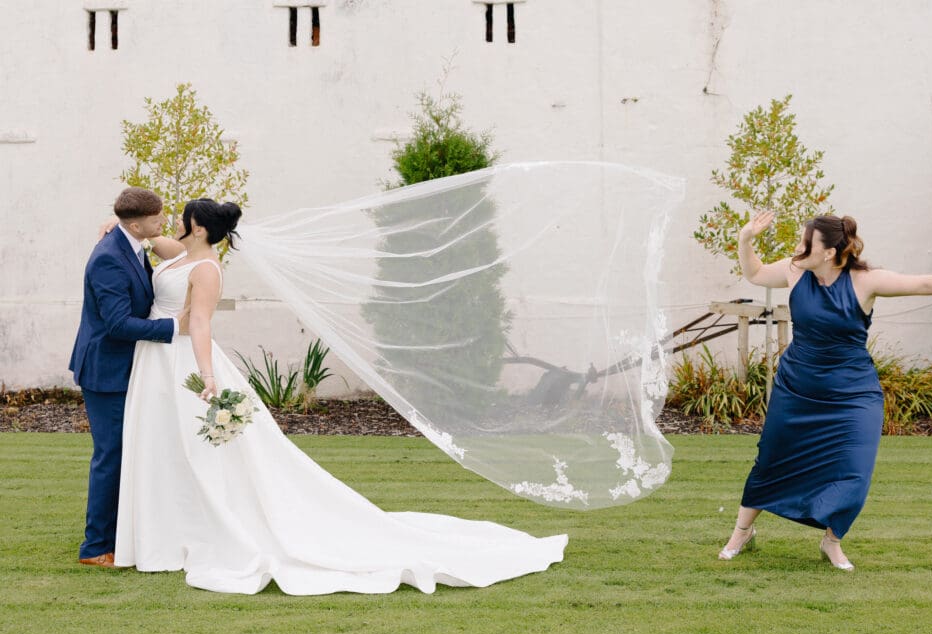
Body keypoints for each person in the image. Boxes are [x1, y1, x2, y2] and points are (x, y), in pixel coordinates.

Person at [107, 198, 567, 594]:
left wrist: (208, 376)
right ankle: (162, 532)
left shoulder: (207, 269)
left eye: (185, 218)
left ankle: (194, 531)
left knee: (197, 451)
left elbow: (202, 324)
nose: (176, 224)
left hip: (182, 360)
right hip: (154, 362)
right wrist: (121, 230)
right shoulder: (176, 251)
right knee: (161, 446)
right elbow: (149, 242)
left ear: (200, 227)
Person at [717, 211, 932, 571]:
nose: (797, 248)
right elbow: (756, 274)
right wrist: (746, 239)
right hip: (798, 387)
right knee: (772, 459)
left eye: (805, 243)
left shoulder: (864, 281)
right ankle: (742, 531)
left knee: (854, 471)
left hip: (852, 394)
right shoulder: (795, 270)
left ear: (829, 252)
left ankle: (832, 540)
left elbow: (924, 283)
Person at [69, 188, 185, 568]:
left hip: (128, 366)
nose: (163, 221)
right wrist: (174, 326)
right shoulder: (109, 259)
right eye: (156, 219)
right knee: (111, 455)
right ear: (135, 223)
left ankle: (122, 537)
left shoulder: (132, 241)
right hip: (107, 370)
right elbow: (117, 323)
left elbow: (176, 251)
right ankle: (95, 547)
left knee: (129, 453)